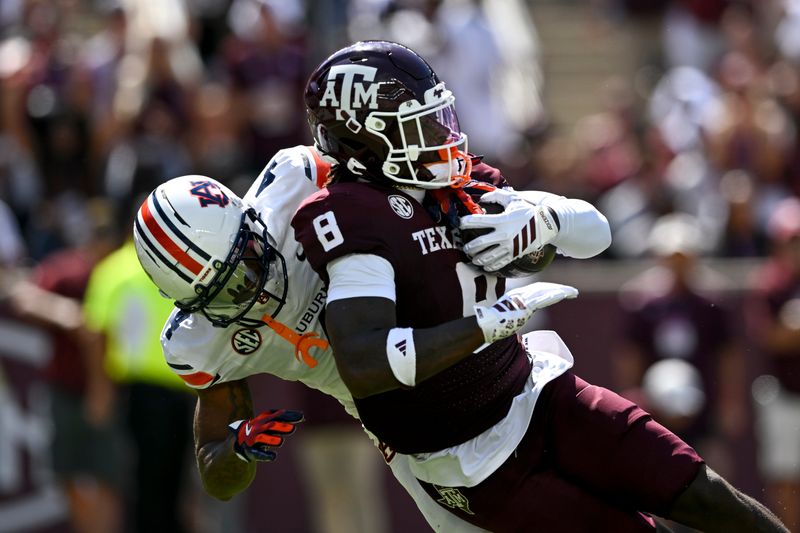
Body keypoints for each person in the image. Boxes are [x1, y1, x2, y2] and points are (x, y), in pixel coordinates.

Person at [290, 40, 789, 532]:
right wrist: (483, 325)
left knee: (696, 487)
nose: (441, 135)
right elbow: (368, 360)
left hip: (538, 391)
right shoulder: (355, 214)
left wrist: (543, 220)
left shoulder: (459, 184)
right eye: (420, 123)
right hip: (470, 455)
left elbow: (596, 232)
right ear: (367, 138)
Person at [132, 152, 487, 532]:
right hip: (386, 410)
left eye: (245, 259)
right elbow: (215, 470)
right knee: (468, 522)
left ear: (246, 218)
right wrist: (239, 448)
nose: (250, 287)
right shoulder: (197, 342)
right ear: (190, 303)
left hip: (438, 325)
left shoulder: (295, 181)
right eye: (224, 292)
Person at [745, 196, 800, 532]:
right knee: (784, 476)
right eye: (791, 241)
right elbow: (769, 336)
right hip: (782, 393)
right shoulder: (770, 284)